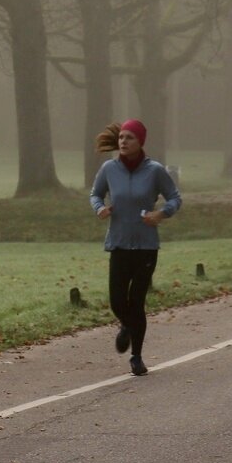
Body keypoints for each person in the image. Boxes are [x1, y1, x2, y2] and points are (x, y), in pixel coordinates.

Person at [88, 119, 181, 376]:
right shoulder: (109, 169)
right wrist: (100, 208)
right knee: (117, 301)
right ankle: (127, 326)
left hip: (146, 247)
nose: (123, 142)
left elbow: (175, 197)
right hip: (118, 244)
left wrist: (161, 214)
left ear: (140, 142)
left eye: (129, 138)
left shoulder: (155, 171)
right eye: (121, 138)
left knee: (137, 301)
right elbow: (95, 194)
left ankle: (136, 357)